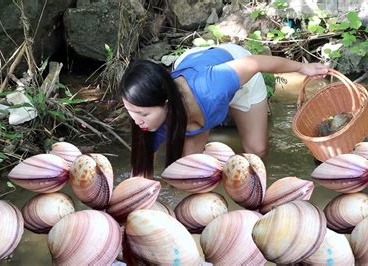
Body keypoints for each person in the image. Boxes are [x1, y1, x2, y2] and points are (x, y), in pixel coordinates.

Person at [120, 43, 328, 177]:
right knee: (191, 166)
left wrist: (302, 68)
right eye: (131, 111)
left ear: (166, 102)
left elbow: (256, 63)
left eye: (143, 114)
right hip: (191, 70)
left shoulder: (212, 86)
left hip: (232, 67)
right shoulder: (149, 120)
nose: (136, 120)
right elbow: (141, 170)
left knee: (257, 150)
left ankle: (254, 191)